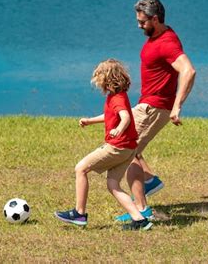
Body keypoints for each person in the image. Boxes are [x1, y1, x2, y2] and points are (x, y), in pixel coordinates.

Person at [115, 0, 196, 222]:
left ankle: (141, 211)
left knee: (125, 150)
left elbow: (188, 71)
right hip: (147, 104)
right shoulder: (159, 35)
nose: (138, 25)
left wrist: (177, 105)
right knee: (131, 147)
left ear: (155, 19)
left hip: (154, 108)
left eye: (142, 22)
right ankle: (149, 180)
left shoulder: (167, 42)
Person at [55, 59, 153, 231]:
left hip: (117, 147)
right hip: (128, 149)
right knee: (113, 185)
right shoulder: (117, 96)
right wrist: (90, 121)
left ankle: (79, 213)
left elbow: (125, 117)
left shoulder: (117, 99)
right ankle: (140, 220)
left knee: (81, 168)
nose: (97, 81)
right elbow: (111, 115)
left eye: (98, 77)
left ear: (108, 78)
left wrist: (119, 129)